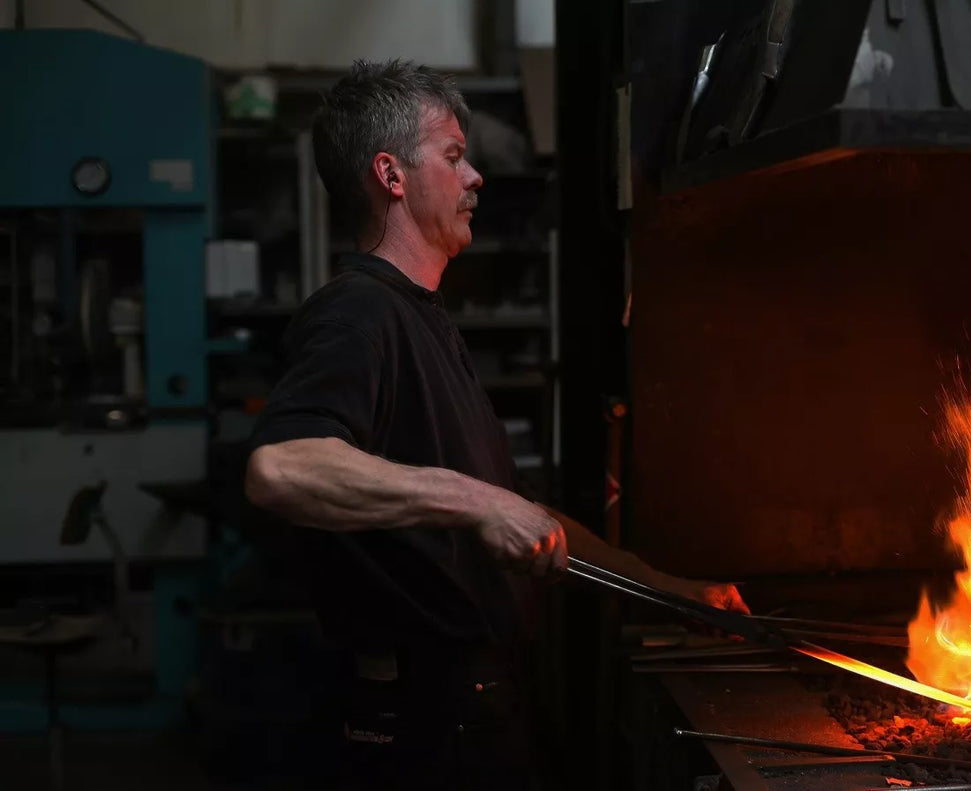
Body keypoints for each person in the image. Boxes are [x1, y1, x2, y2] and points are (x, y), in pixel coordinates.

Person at [242, 60, 749, 790]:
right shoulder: (359, 311)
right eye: (452, 156)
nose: (475, 176)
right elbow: (281, 466)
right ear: (390, 174)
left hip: (476, 704)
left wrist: (672, 590)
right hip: (419, 726)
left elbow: (530, 520)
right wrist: (477, 500)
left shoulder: (422, 319)